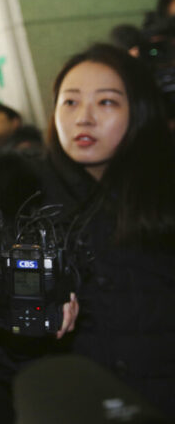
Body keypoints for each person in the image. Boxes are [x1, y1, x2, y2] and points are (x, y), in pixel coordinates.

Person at [45, 43, 175, 417]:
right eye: (70, 102)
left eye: (106, 103)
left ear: (140, 112)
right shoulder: (26, 206)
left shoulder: (162, 203)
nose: (83, 118)